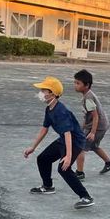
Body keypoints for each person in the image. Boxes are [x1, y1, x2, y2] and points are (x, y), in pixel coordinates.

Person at [23, 76, 95, 209]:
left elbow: (68, 133)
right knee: (43, 159)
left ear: (52, 93)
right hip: (64, 139)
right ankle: (48, 186)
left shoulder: (60, 111)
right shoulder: (49, 108)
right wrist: (33, 147)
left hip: (75, 141)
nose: (41, 93)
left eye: (43, 90)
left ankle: (86, 197)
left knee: (64, 168)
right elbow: (44, 129)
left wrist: (68, 156)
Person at [73, 69, 110, 180]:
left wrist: (92, 132)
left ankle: (79, 173)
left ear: (86, 85)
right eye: (75, 82)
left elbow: (95, 116)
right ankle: (109, 163)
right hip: (100, 125)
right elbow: (87, 116)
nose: (75, 85)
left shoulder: (88, 98)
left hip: (97, 126)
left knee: (80, 148)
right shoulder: (87, 95)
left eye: (78, 83)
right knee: (93, 146)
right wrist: (82, 128)